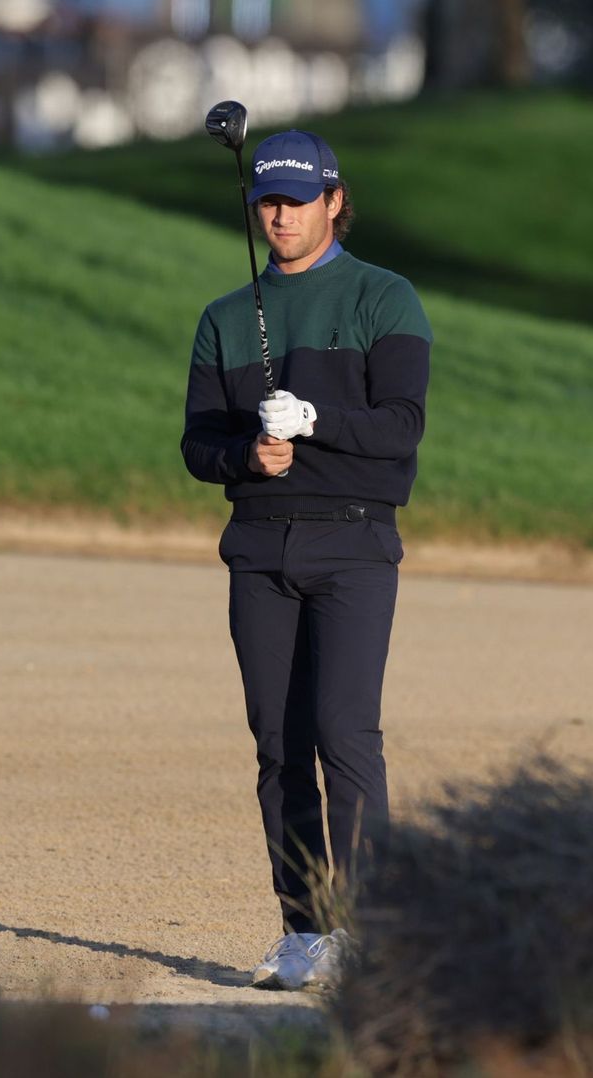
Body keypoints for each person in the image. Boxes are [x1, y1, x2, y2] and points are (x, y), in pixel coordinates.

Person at [180, 128, 433, 990]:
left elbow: (401, 429)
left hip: (355, 541)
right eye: (268, 202)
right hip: (259, 546)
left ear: (334, 200)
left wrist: (316, 420)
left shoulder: (384, 298)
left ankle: (372, 932)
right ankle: (307, 929)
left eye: (296, 200)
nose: (280, 215)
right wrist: (249, 457)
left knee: (343, 734)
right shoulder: (224, 319)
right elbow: (197, 445)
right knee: (280, 746)